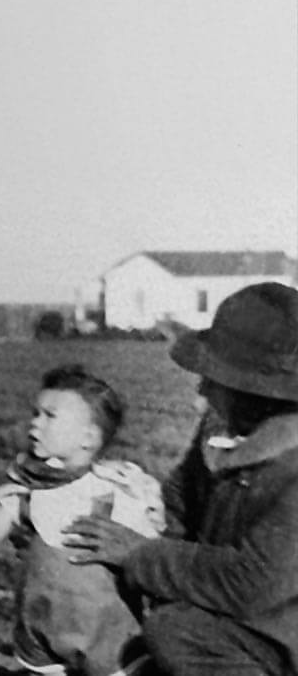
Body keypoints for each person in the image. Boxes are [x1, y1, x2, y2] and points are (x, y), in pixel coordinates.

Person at [65, 282, 298, 676]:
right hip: (243, 614)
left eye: (215, 380)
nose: (199, 393)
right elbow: (178, 503)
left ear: (258, 393)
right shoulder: (222, 428)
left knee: (177, 632)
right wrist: (131, 511)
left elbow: (250, 583)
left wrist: (140, 554)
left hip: (281, 625)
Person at [0, 364, 164, 675]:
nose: (35, 423)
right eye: (36, 413)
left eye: (50, 416)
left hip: (101, 626)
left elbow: (149, 549)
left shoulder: (117, 489)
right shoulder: (34, 486)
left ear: (88, 437)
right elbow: (0, 519)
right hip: (42, 617)